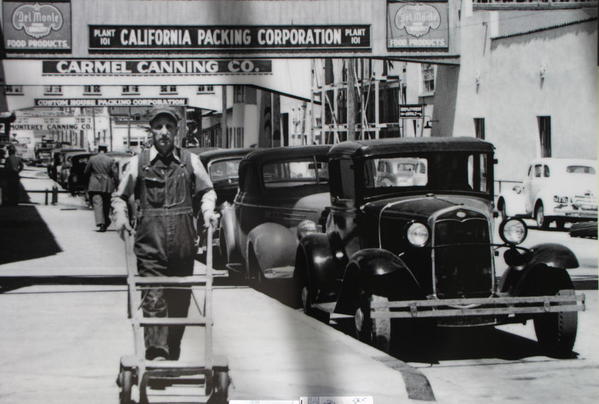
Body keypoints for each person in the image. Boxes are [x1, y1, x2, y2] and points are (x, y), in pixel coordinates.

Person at [112, 106, 218, 361]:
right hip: (150, 246)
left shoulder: (190, 161)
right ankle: (157, 352)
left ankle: (171, 353)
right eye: (159, 127)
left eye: (169, 127)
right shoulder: (138, 163)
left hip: (182, 245)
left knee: (180, 301)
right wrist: (122, 218)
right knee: (154, 297)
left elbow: (207, 191)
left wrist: (207, 212)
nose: (164, 132)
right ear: (151, 131)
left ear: (177, 131)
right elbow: (119, 197)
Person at [85, 145, 118, 232]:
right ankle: (106, 220)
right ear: (106, 150)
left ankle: (101, 223)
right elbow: (115, 173)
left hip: (95, 183)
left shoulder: (92, 159)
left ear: (98, 150)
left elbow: (86, 171)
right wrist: (117, 184)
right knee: (106, 204)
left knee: (97, 203)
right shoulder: (110, 160)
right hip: (107, 184)